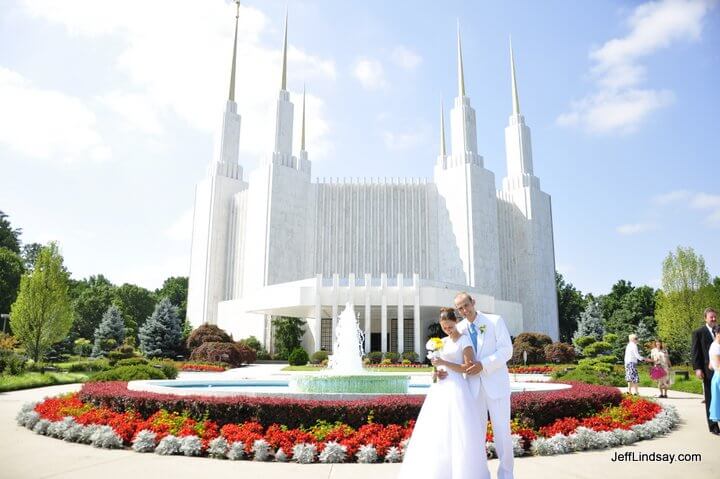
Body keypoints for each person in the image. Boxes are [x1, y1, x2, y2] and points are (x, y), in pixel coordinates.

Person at [399, 308, 490, 479]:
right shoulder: (441, 342)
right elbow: (438, 367)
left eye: (449, 326)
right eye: (444, 327)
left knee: (458, 429)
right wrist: (436, 372)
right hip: (440, 388)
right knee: (437, 429)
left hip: (457, 388)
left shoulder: (465, 341)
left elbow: (467, 367)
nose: (447, 329)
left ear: (456, 322)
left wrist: (444, 362)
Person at [454, 292, 514, 479]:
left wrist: (484, 364)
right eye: (460, 308)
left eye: (466, 305)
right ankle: (480, 475)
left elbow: (506, 351)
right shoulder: (459, 328)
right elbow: (456, 356)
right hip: (472, 388)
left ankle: (506, 475)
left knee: (503, 434)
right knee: (476, 435)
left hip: (496, 386)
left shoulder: (495, 321)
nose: (464, 310)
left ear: (473, 302)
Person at [691, 307, 719, 435]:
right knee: (710, 397)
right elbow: (695, 352)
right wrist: (697, 368)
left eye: (714, 316)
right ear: (705, 318)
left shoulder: (719, 330)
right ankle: (713, 426)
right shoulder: (698, 332)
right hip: (708, 371)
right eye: (711, 317)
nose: (713, 319)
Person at [708, 325, 720, 430]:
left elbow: (711, 366)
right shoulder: (715, 347)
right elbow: (718, 365)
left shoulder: (716, 345)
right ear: (717, 333)